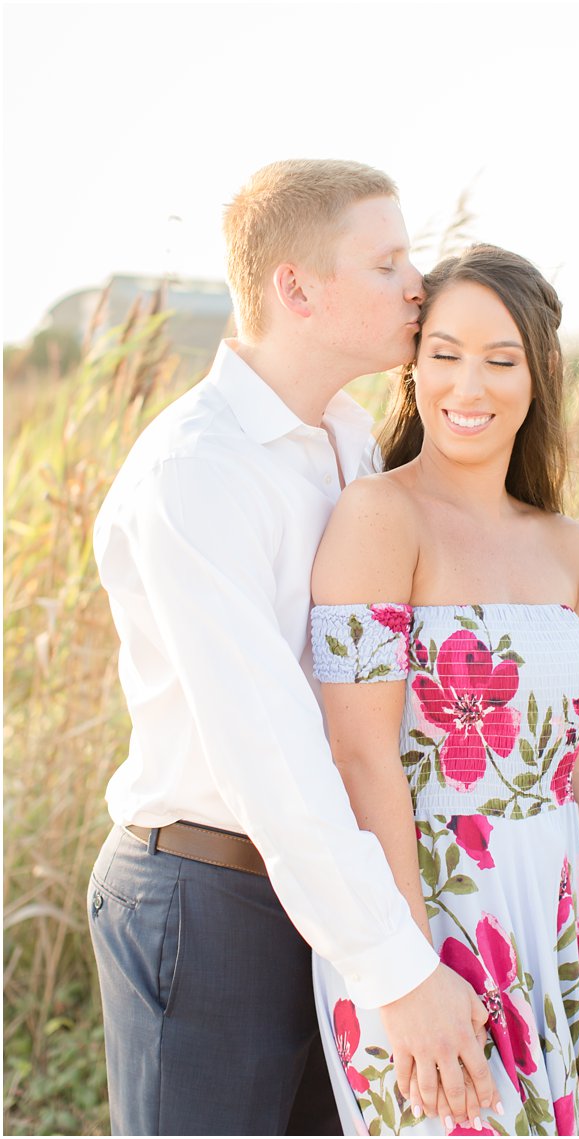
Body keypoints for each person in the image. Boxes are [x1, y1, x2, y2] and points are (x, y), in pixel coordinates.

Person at [88, 160, 495, 1135]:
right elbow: (268, 748)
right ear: (297, 288)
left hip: (327, 886)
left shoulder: (349, 441)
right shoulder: (201, 471)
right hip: (208, 898)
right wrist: (397, 968)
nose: (418, 284)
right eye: (388, 259)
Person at [306, 245, 579, 1136]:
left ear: (539, 377)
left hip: (556, 924)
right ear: (414, 364)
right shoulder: (380, 516)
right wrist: (409, 970)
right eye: (446, 352)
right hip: (429, 917)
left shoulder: (573, 548)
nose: (470, 385)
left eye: (501, 360)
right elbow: (360, 754)